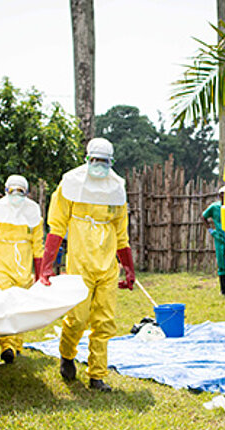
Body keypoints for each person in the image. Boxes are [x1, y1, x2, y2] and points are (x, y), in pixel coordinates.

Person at [38, 137, 134, 392]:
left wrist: (129, 268)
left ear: (111, 163)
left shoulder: (116, 189)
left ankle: (97, 375)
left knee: (104, 321)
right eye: (95, 161)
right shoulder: (70, 184)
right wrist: (47, 266)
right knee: (77, 319)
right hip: (80, 264)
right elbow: (56, 226)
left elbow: (122, 234)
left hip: (107, 265)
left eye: (104, 162)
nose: (99, 166)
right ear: (87, 159)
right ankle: (67, 355)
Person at [0, 174, 45, 364]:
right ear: (6, 191)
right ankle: (6, 345)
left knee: (20, 308)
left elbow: (38, 246)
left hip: (23, 268)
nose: (16, 195)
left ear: (27, 193)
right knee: (3, 306)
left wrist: (40, 275)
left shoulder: (32, 214)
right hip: (2, 267)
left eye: (20, 191)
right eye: (12, 190)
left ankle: (17, 344)